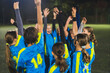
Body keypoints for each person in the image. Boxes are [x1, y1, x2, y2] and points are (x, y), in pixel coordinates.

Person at [16, 0, 45, 73]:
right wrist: (38, 5)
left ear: (24, 38)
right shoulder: (40, 46)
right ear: (36, 38)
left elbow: (19, 69)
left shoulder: (23, 53)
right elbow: (40, 25)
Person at [5, 1, 25, 73]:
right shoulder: (20, 43)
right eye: (16, 33)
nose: (17, 32)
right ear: (15, 39)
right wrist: (17, 10)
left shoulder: (9, 49)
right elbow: (20, 26)